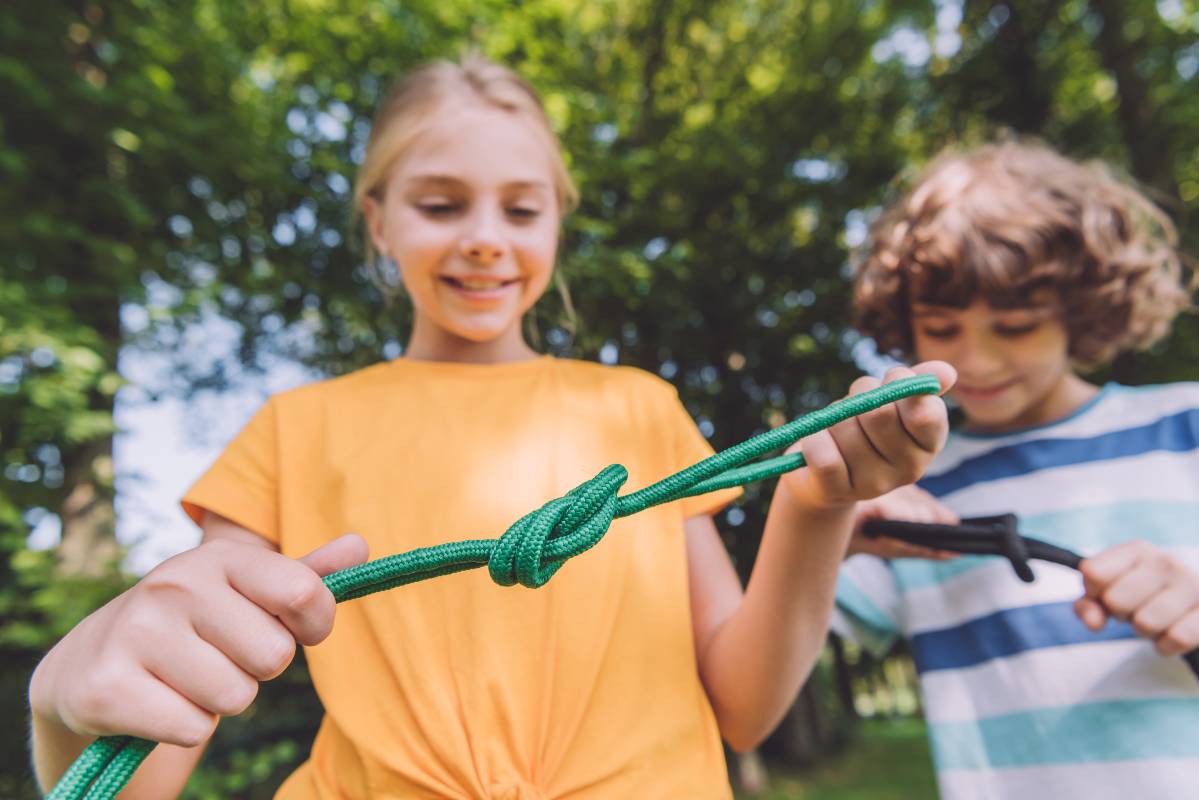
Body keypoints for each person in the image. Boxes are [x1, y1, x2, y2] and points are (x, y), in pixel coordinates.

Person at [29, 55, 952, 799]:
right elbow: (148, 769)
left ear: (558, 223)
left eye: (520, 208)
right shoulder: (290, 429)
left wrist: (818, 505)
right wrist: (61, 713)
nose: (483, 237)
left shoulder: (636, 405)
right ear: (378, 222)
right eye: (440, 205)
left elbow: (743, 708)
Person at [837, 139, 1199, 799]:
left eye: (1015, 326)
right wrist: (832, 529)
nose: (972, 362)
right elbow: (774, 656)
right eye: (941, 329)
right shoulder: (910, 483)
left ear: (1080, 312)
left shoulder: (1184, 428)